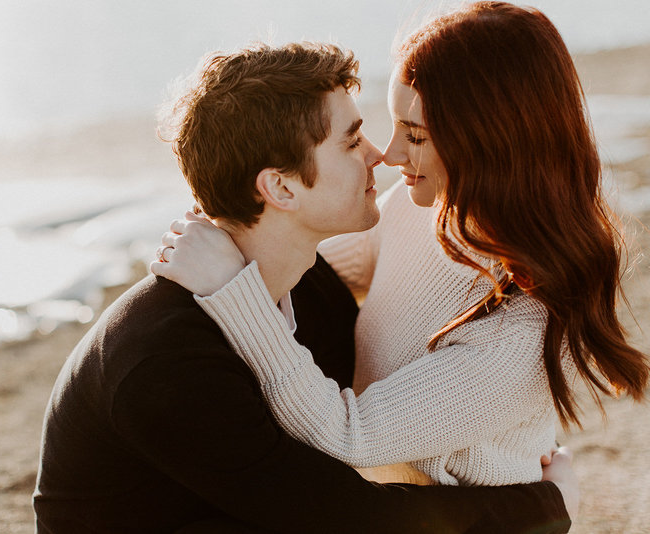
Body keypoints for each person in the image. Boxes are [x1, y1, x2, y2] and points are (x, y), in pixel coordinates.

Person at [34, 41, 576, 533]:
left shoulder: (311, 286)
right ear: (281, 186)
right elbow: (348, 518)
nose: (378, 155)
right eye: (350, 142)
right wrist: (547, 505)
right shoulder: (169, 360)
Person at [152, 0, 649, 491]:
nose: (388, 155)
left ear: (490, 142)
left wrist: (230, 287)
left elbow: (350, 434)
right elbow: (313, 275)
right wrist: (226, 235)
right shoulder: (429, 206)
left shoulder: (525, 327)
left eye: (414, 135)